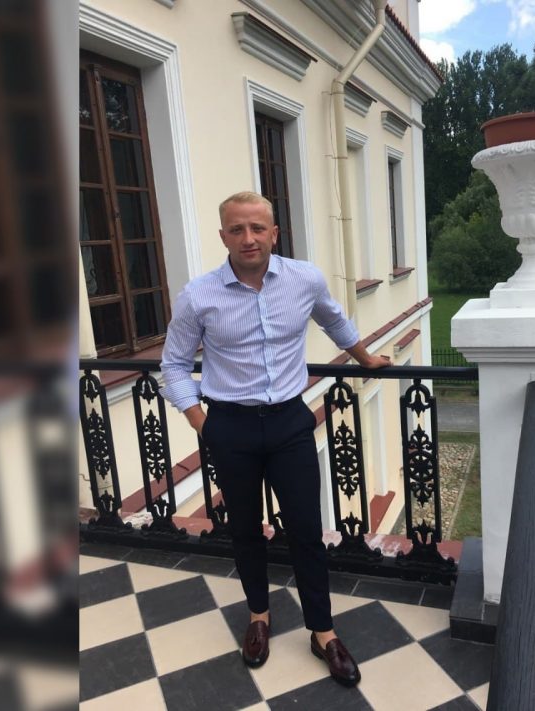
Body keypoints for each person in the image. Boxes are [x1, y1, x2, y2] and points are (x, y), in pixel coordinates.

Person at [160, 191, 390, 687]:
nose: (249, 238)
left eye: (258, 228)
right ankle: (259, 617)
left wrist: (366, 358)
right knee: (244, 529)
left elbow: (333, 318)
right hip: (230, 427)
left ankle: (322, 632)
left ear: (274, 233)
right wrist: (202, 422)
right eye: (237, 229)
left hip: (289, 423)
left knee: (306, 529)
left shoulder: (305, 279)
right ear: (223, 236)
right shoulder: (198, 295)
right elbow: (174, 364)